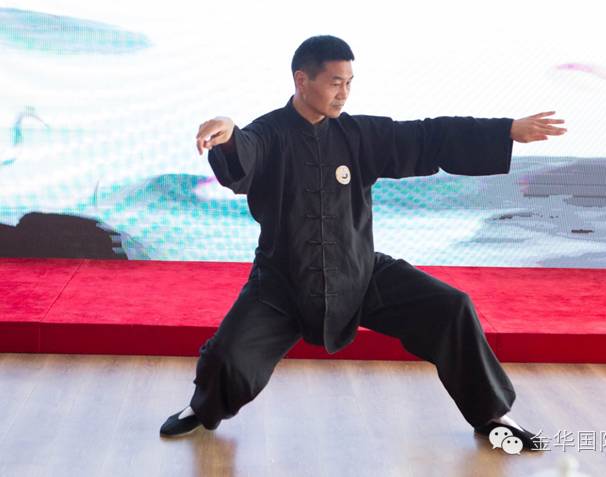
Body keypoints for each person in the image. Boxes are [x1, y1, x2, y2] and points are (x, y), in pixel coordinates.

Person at [160, 35, 567, 450]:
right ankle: (201, 409)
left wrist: (505, 130)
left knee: (451, 307)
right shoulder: (269, 134)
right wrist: (229, 134)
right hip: (283, 282)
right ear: (302, 80)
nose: (344, 93)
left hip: (358, 271)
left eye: (349, 83)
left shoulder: (358, 134)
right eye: (335, 82)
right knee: (229, 358)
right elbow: (244, 153)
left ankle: (493, 417)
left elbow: (428, 136)